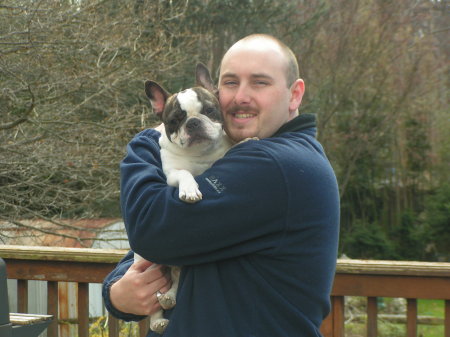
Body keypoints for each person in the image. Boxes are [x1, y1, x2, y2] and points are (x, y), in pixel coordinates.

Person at [102, 34, 340, 337]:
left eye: (259, 82)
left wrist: (150, 138)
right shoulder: (239, 158)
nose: (241, 96)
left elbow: (151, 229)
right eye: (230, 83)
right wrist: (117, 292)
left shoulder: (276, 165)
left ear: (295, 94)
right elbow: (171, 235)